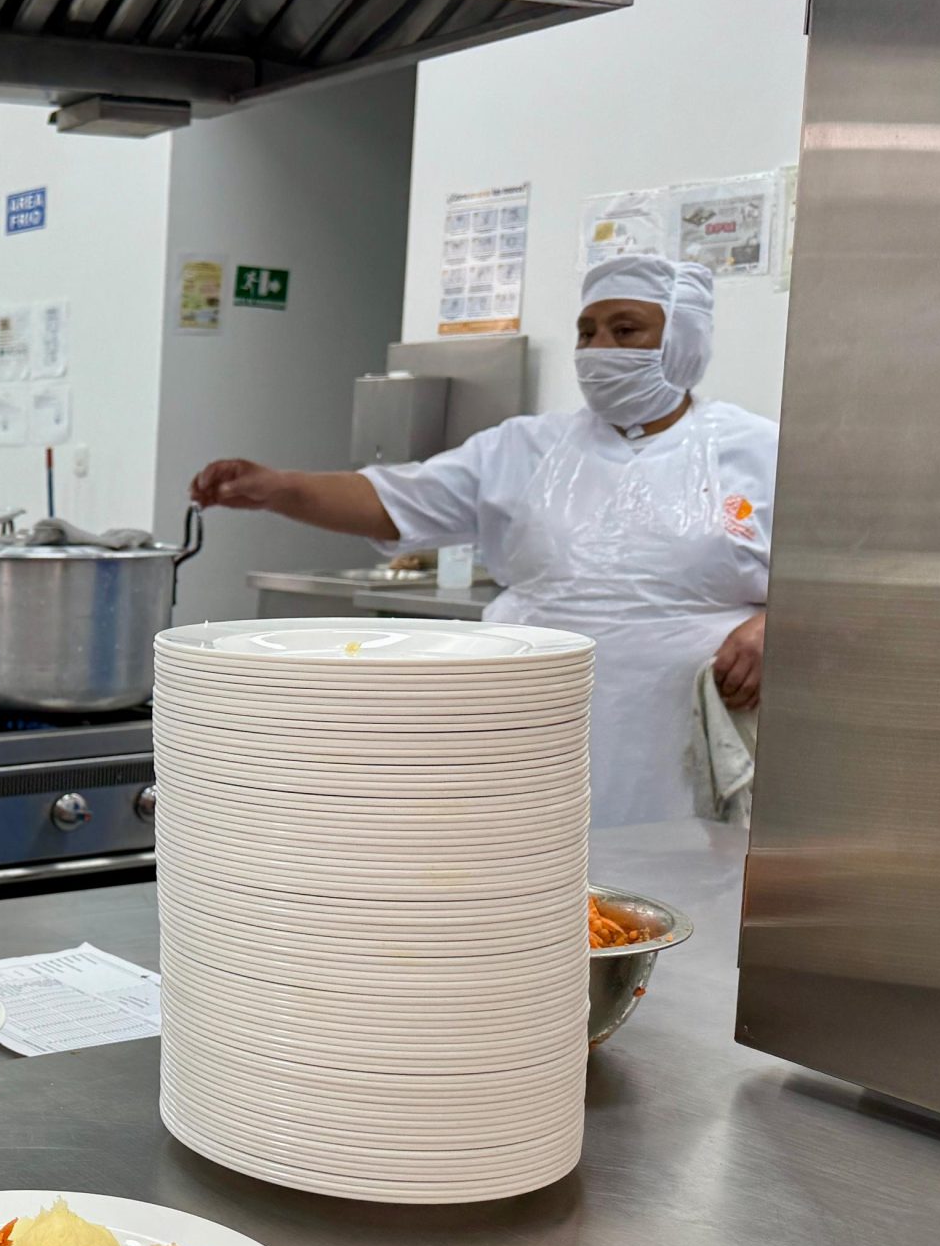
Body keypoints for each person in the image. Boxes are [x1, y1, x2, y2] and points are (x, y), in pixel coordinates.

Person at [190, 255, 775, 826]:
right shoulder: (524, 447)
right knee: (524, 860)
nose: (598, 349)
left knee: (681, 869)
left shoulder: (759, 451)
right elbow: (393, 501)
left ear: (682, 341)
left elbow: (826, 582)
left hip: (688, 733)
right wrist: (280, 488)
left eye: (625, 331)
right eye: (586, 332)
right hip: (531, 722)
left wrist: (775, 626)